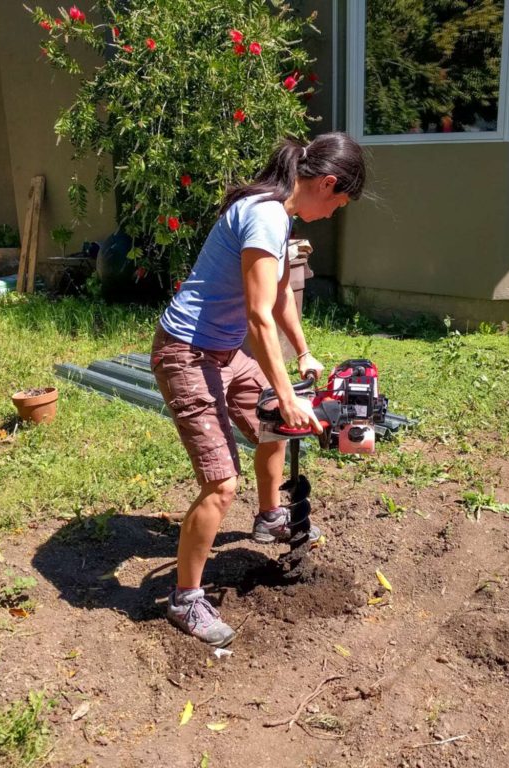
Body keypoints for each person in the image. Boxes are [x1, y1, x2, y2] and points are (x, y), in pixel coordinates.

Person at [150, 132, 367, 647]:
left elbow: (278, 300)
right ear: (328, 184)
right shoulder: (266, 214)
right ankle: (185, 599)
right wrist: (284, 388)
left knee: (274, 425)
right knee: (221, 484)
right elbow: (257, 316)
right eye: (340, 203)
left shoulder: (279, 214)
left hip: (224, 353)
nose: (335, 213)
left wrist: (305, 351)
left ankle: (272, 518)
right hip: (185, 352)